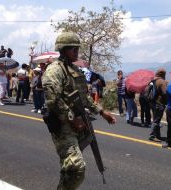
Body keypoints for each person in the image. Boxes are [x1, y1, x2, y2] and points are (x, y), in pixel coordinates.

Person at [42, 32, 116, 190]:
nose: (76, 52)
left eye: (77, 48)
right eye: (72, 48)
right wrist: (72, 119)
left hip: (80, 124)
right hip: (63, 125)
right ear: (63, 49)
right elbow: (52, 99)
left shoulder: (75, 69)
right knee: (76, 168)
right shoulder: (54, 70)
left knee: (69, 168)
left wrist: (102, 112)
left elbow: (84, 98)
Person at [149, 69, 167, 141]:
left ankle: (158, 135)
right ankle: (152, 136)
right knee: (156, 121)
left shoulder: (154, 81)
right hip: (159, 103)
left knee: (156, 119)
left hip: (153, 102)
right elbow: (165, 93)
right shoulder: (162, 81)